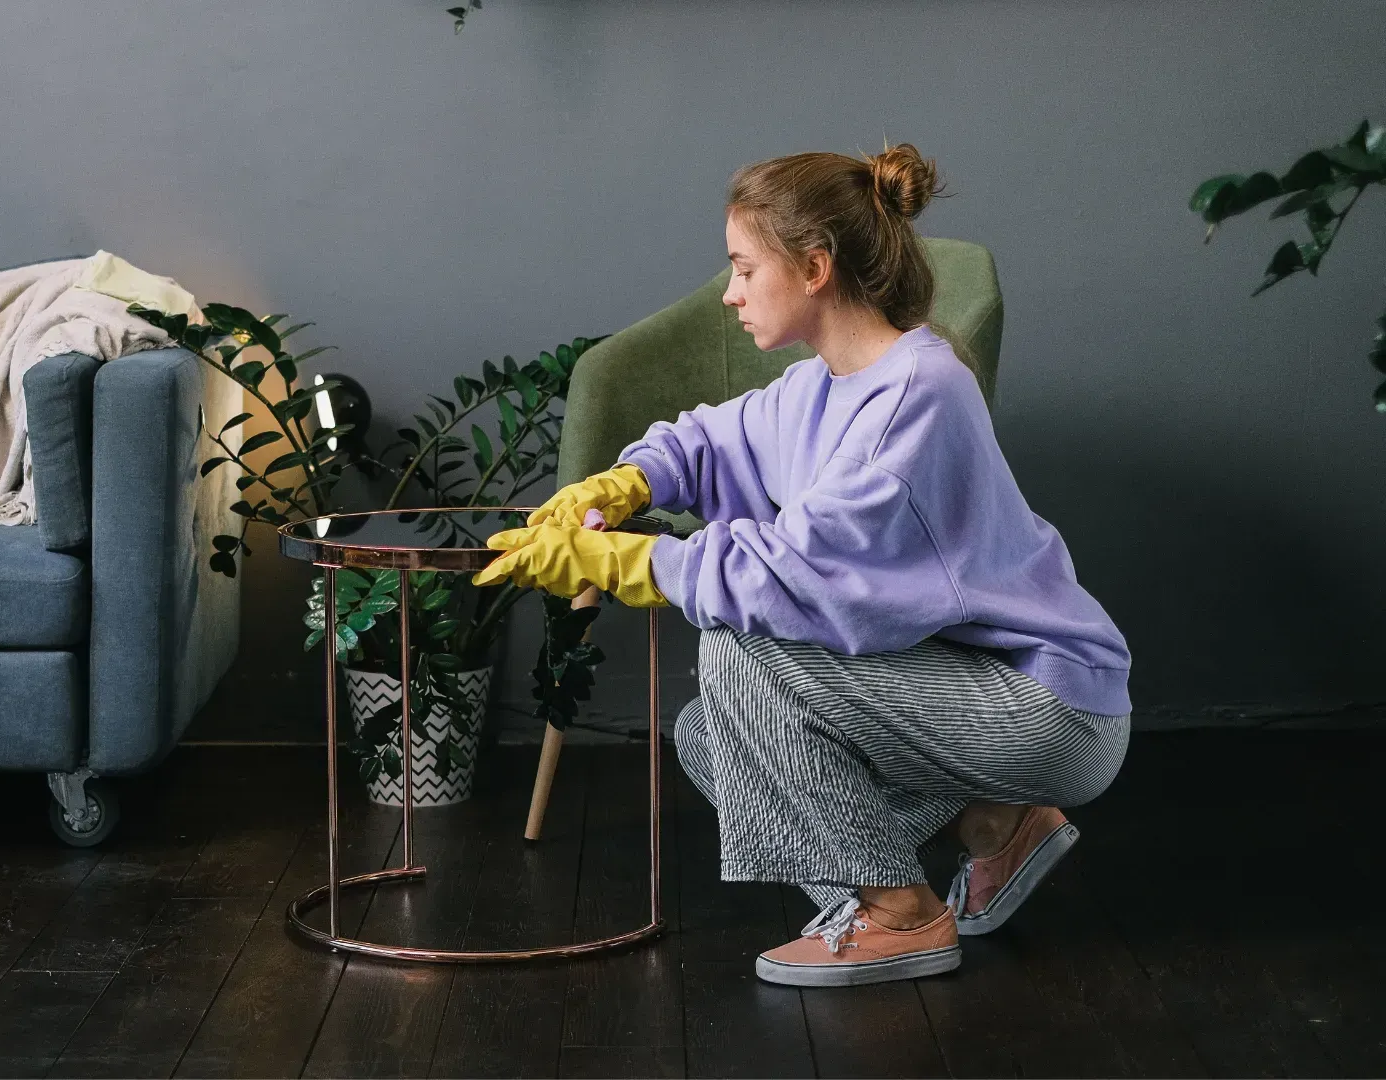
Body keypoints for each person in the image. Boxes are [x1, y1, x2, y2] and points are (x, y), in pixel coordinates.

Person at [474, 144, 1131, 988]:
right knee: (713, 738)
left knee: (736, 650)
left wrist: (628, 560)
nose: (730, 291)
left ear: (814, 267)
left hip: (1048, 708)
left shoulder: (917, 397)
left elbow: (789, 579)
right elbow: (716, 437)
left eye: (745, 268)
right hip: (966, 691)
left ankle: (897, 911)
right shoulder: (823, 385)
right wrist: (630, 480)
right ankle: (992, 824)